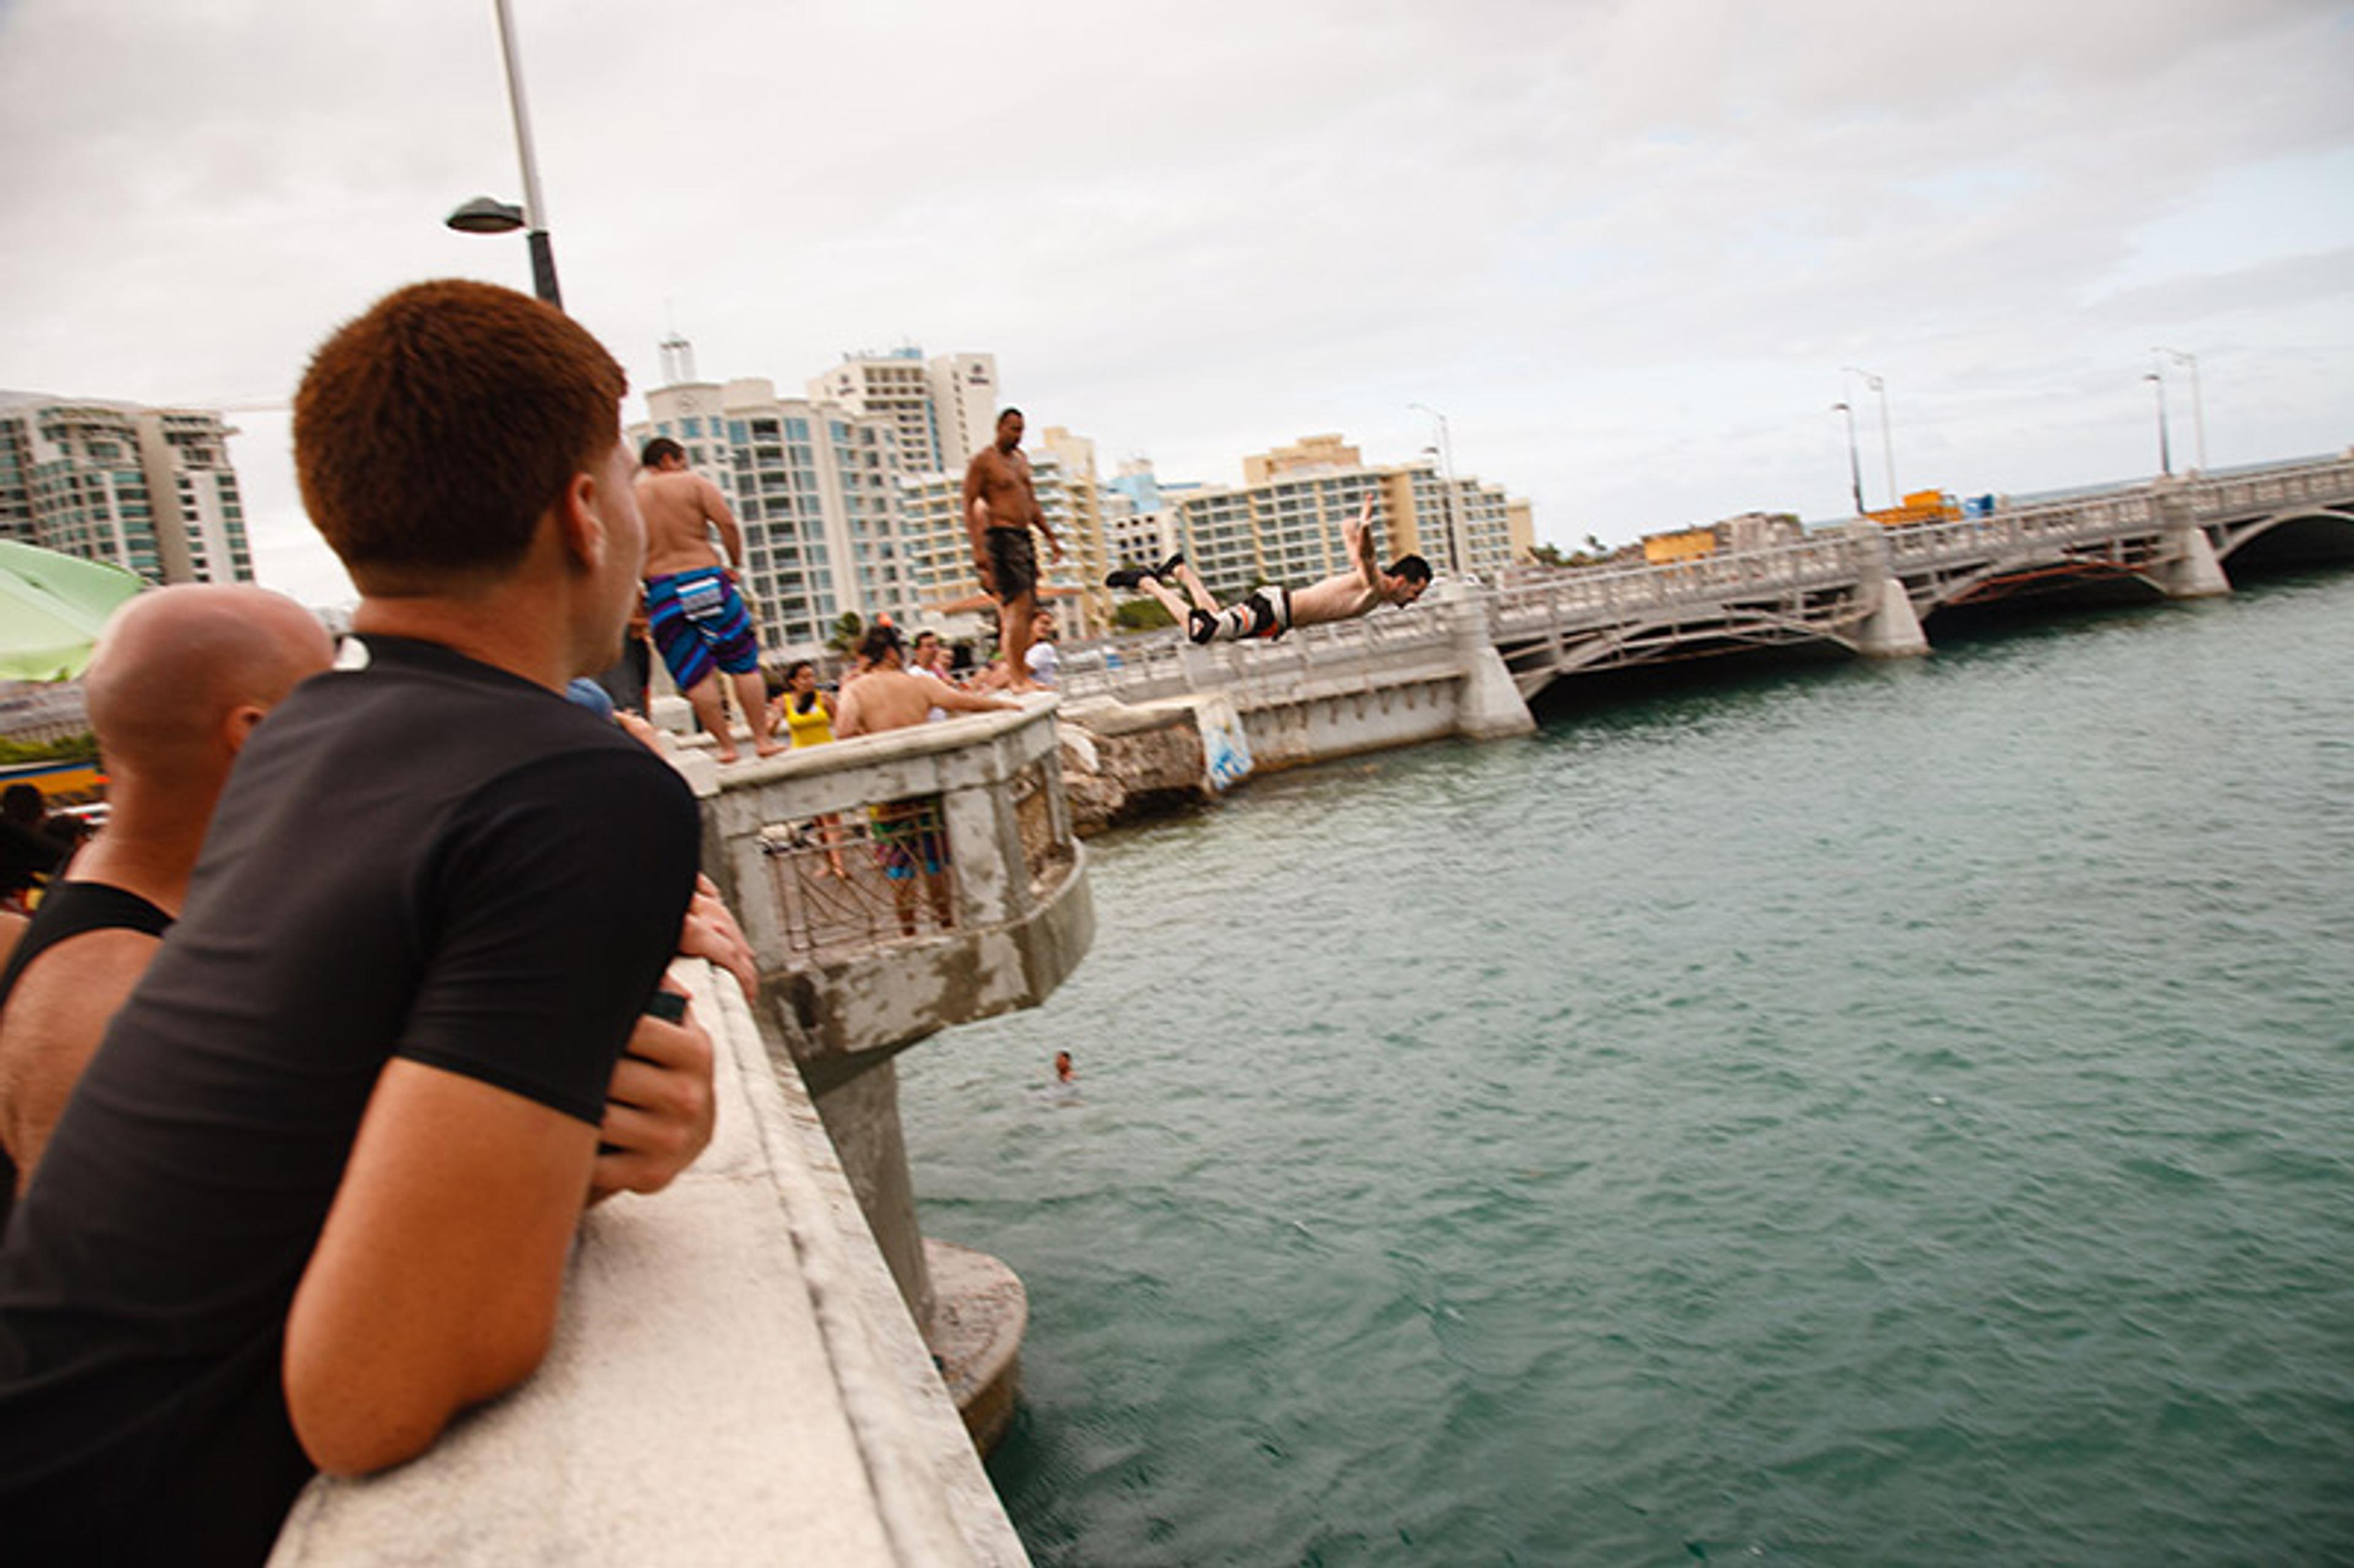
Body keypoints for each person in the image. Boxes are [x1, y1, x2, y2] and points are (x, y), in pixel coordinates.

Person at [0, 280, 711, 1566]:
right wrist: (542, 1176)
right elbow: (369, 1395)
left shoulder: (303, 745)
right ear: (583, 512)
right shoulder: (580, 790)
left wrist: (579, 1119)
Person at [0, 586, 335, 1226]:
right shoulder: (107, 994)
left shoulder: (161, 919)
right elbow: (110, 1300)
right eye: (330, 707)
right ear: (256, 734)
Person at [833, 624, 1017, 934]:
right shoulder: (918, 684)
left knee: (898, 862)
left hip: (885, 788)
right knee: (935, 860)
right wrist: (1005, 704)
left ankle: (909, 931)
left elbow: (843, 731)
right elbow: (965, 702)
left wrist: (869, 731)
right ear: (893, 652)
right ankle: (945, 922)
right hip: (923, 782)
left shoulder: (856, 690)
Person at [1108, 496, 1432, 644]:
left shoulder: (1366, 583)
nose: (1414, 600)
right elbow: (1367, 555)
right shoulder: (1374, 589)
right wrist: (1364, 529)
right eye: (1415, 592)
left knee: (1215, 622)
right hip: (1273, 610)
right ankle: (1149, 583)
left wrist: (1355, 527)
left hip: (1276, 618)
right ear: (1402, 580)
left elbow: (1351, 540)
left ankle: (1181, 571)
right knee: (1202, 631)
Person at [636, 436, 780, 761]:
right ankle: (761, 740)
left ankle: (726, 747)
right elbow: (726, 522)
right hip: (703, 577)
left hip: (662, 589)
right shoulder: (692, 483)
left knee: (694, 671)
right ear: (669, 460)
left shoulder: (632, 496)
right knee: (742, 661)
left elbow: (623, 546)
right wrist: (734, 563)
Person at [961, 408, 1062, 693]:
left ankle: (1021, 675)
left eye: (1021, 430)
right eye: (1012, 429)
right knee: (1016, 606)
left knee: (1028, 605)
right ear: (999, 428)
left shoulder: (1021, 462)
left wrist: (1050, 537)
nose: (1017, 436)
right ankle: (1017, 677)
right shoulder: (984, 461)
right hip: (1001, 536)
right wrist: (978, 549)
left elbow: (1032, 504)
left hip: (1023, 535)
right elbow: (969, 504)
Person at [774, 659, 847, 877]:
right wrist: (774, 718)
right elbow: (769, 730)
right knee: (817, 816)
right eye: (804, 677)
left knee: (831, 814)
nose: (810, 681)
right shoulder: (785, 703)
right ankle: (829, 861)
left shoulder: (823, 699)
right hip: (802, 760)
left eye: (812, 676)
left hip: (826, 756)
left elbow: (842, 723)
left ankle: (839, 863)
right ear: (793, 682)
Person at [1024, 607, 1061, 688]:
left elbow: (1021, 672)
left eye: (1049, 625)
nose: (1047, 628)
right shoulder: (1026, 648)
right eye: (1043, 623)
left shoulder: (1044, 649)